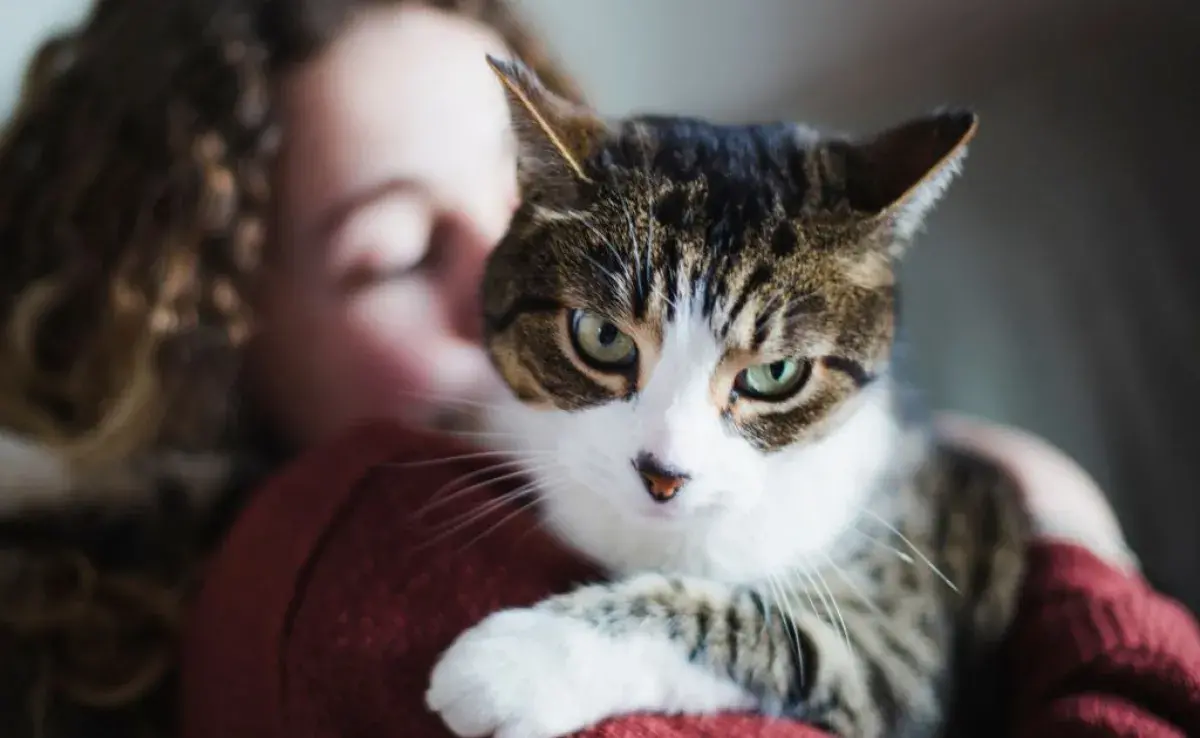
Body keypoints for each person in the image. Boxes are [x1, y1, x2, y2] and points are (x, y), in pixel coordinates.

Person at [0, 1, 1195, 737]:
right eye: (403, 249)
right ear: (203, 355)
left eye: (505, 199)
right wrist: (1087, 567)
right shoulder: (364, 571)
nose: (499, 279)